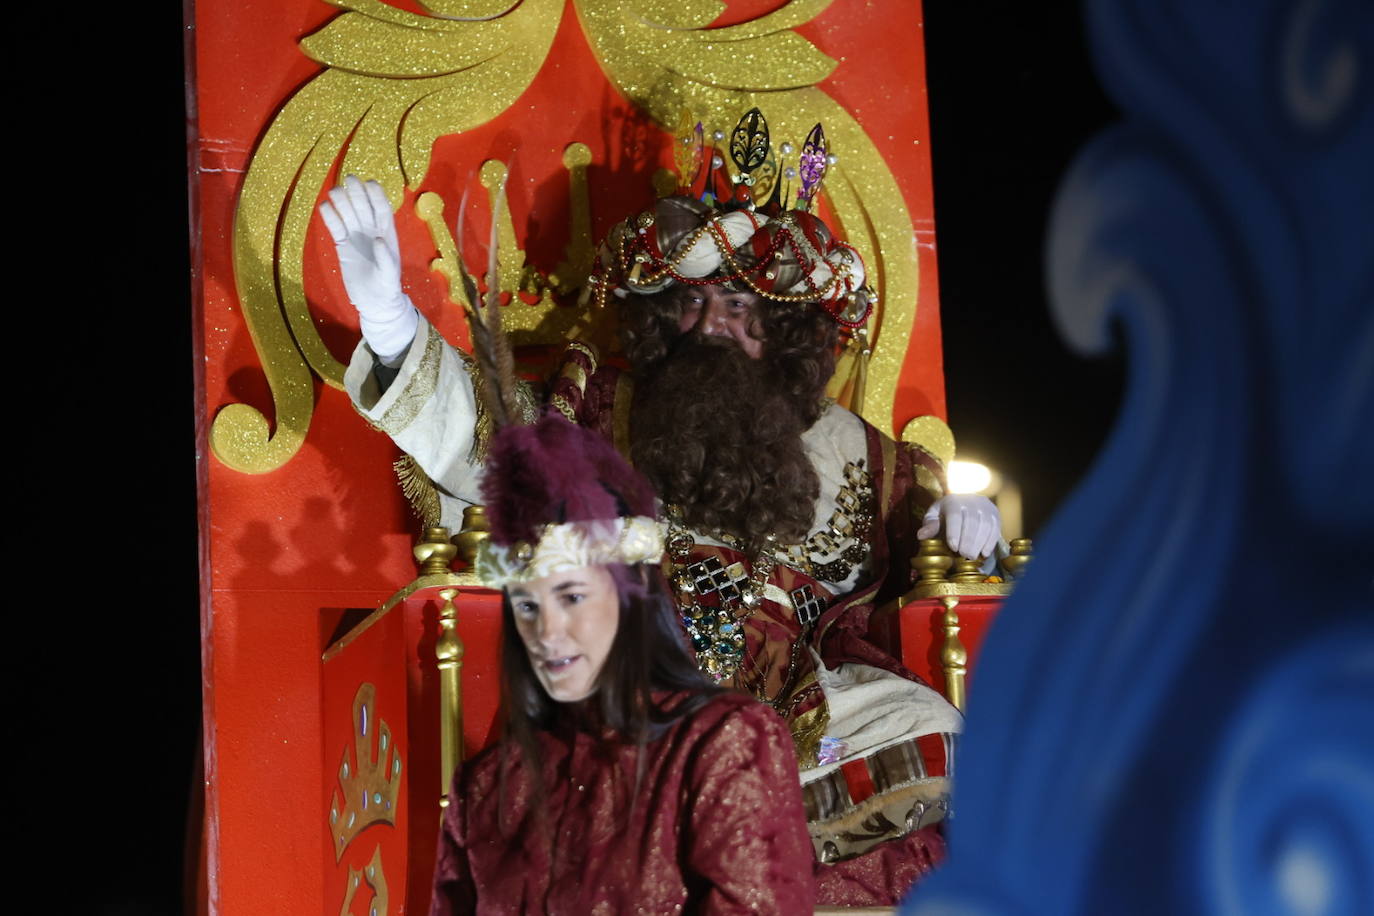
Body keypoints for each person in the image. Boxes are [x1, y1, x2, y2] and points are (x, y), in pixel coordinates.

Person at [321, 141, 1002, 902]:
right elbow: (487, 440)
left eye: (740, 306)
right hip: (643, 687)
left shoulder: (860, 454)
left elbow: (929, 567)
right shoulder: (596, 411)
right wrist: (390, 323)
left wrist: (960, 523)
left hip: (812, 713)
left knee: (941, 738)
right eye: (691, 302)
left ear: (784, 329)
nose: (712, 324)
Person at [431, 413, 816, 913]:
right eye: (527, 606)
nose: (546, 633)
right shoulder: (483, 789)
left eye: (570, 597)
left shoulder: (721, 742)